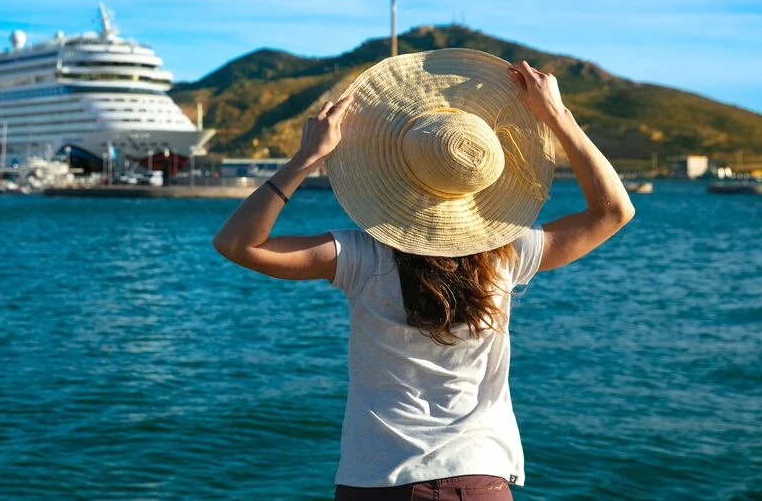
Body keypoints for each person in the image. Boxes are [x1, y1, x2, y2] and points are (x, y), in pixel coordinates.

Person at [213, 49, 634, 501]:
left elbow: (238, 244)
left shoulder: (360, 256)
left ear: (393, 168)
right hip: (479, 480)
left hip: (379, 480)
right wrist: (556, 115)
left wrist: (305, 159)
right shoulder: (507, 255)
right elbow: (613, 211)